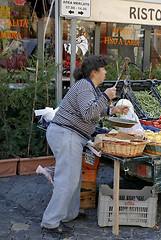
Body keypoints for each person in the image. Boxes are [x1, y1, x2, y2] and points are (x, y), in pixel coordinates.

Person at [41, 55, 129, 233]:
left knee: (74, 178)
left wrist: (112, 109)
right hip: (67, 134)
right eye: (103, 69)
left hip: (70, 135)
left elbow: (93, 109)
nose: (105, 72)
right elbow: (88, 113)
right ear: (94, 72)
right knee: (66, 180)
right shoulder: (84, 87)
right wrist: (105, 96)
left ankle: (69, 214)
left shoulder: (88, 87)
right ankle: (50, 222)